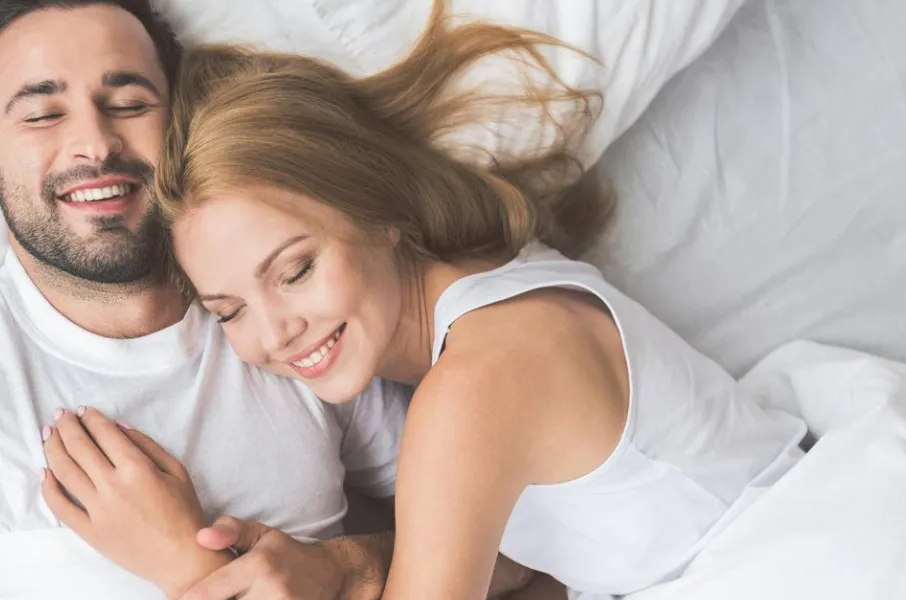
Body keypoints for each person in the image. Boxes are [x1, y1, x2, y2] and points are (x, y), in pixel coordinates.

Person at [41, 2, 810, 598]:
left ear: (379, 215)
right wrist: (348, 567)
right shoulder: (480, 288)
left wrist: (185, 564)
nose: (275, 333)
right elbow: (532, 558)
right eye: (229, 310)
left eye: (296, 269)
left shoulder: (472, 389)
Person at [0, 2, 543, 598]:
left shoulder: (298, 323)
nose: (96, 143)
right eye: (43, 114)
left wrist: (344, 565)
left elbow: (527, 555)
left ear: (177, 126)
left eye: (128, 102)